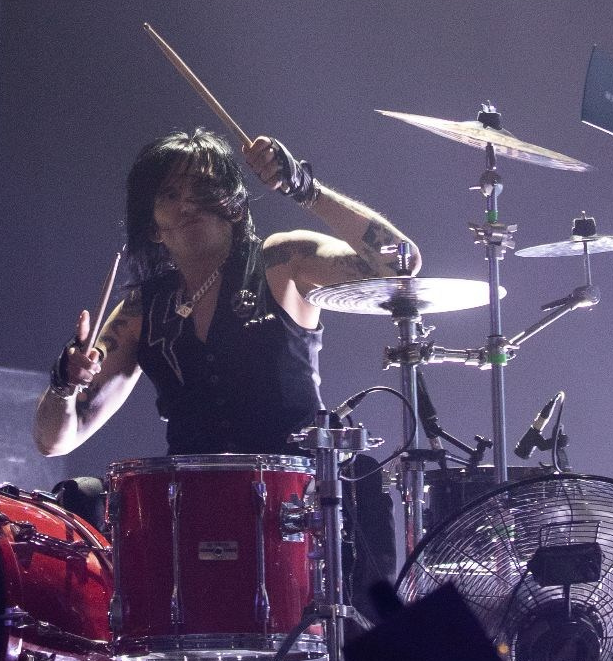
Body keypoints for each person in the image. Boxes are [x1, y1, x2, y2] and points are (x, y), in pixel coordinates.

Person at [33, 125, 420, 466]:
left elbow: (400, 263)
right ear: (153, 228)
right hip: (191, 506)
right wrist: (64, 383)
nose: (188, 204)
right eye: (170, 195)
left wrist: (307, 190)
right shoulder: (141, 309)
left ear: (234, 206)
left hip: (301, 502)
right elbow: (54, 442)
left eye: (202, 188)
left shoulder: (281, 261)